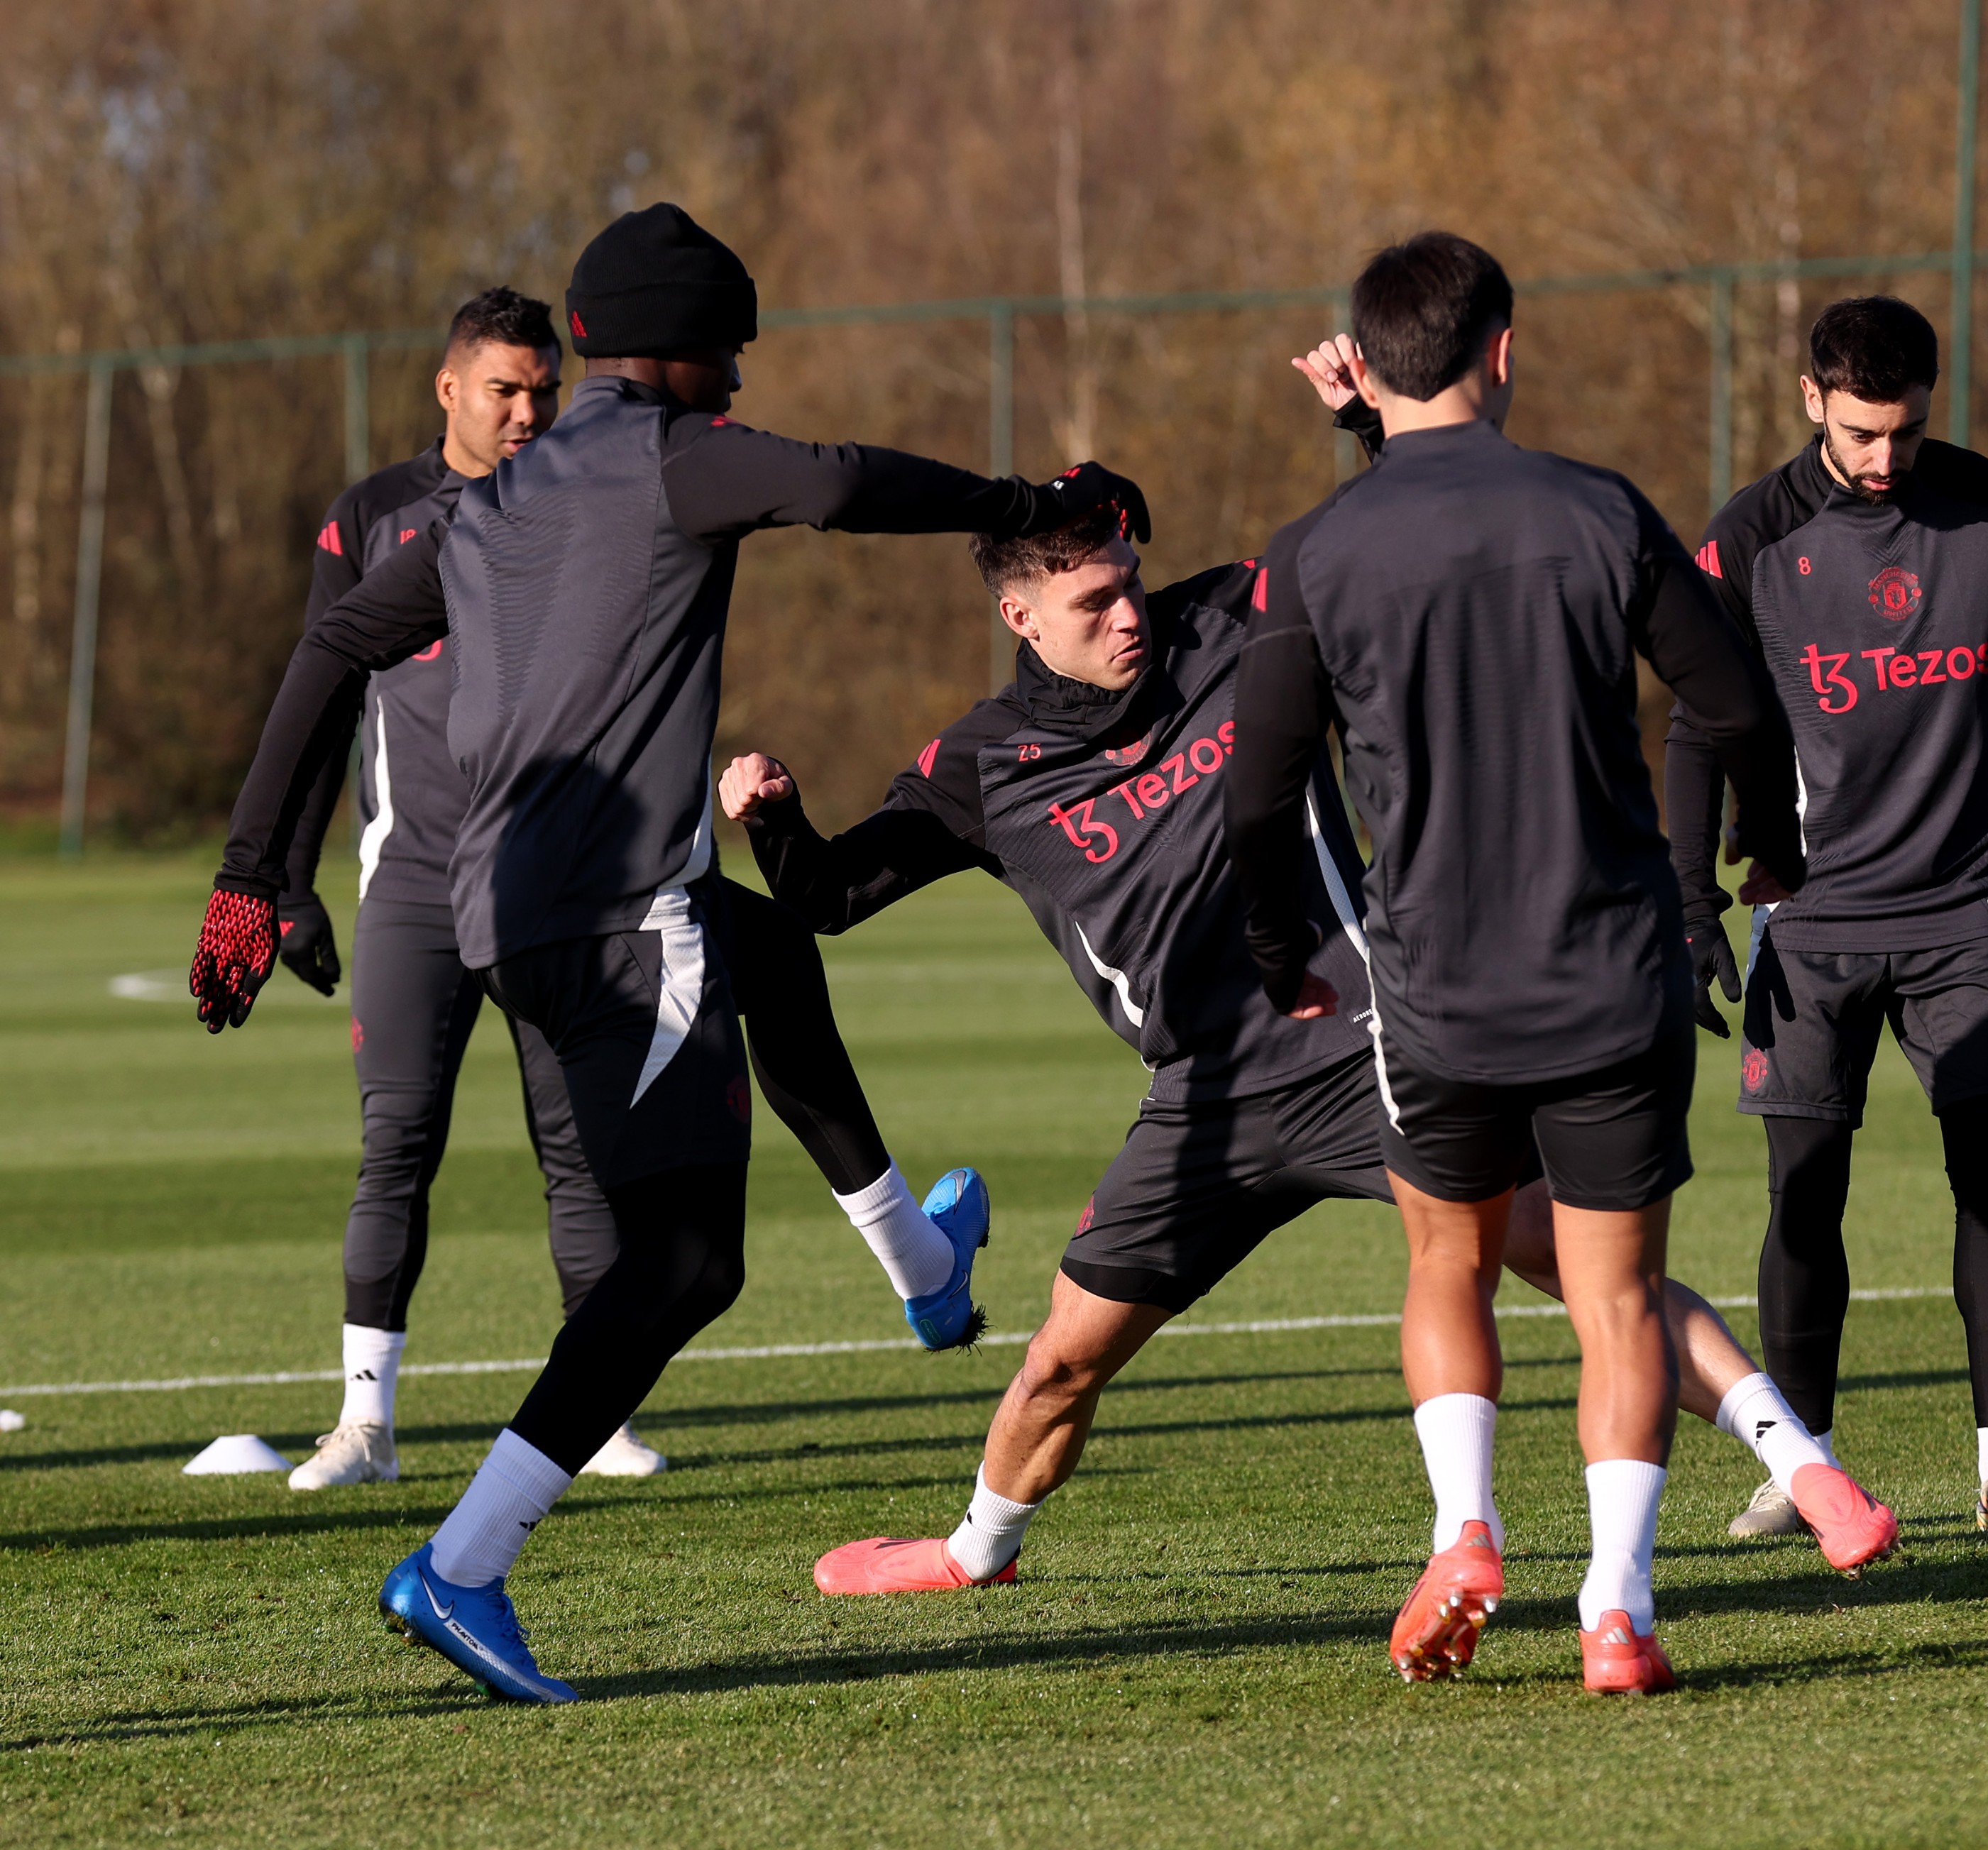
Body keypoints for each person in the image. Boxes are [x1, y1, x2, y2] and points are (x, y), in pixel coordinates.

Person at [727, 358, 1891, 1629]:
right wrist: (775, 822)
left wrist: (1361, 423)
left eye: (1128, 581)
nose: (1129, 616)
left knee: (1575, 1259)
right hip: (1206, 1105)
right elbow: (829, 898)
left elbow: (1398, 537)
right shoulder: (983, 766)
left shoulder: (1234, 622)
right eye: (1093, 601)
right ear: (1020, 619)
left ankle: (1808, 1469)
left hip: (1369, 1038)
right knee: (1062, 1360)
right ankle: (972, 1548)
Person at [187, 202, 1147, 1702]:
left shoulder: (489, 502)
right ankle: (461, 1562)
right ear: (681, 353)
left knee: (767, 951)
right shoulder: (664, 453)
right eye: (733, 354)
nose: (742, 383)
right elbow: (835, 486)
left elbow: (328, 648)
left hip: (515, 916)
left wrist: (251, 869)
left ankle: (920, 1257)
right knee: (687, 1262)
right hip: (617, 920)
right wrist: (1031, 494)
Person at [1228, 234, 1825, 1695]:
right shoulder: (1596, 509)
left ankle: (1464, 1529)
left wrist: (1270, 949)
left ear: (1362, 371)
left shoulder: (1316, 549)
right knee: (1618, 1298)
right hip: (1610, 971)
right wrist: (1764, 849)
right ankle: (1613, 1607)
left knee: (1446, 1259)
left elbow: (1254, 786)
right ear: (1504, 348)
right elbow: (1736, 703)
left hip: (1431, 984)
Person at [1667, 296, 1988, 1548]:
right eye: (1862, 430)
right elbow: (1695, 724)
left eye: (1909, 429)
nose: (1888, 457)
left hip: (1963, 914)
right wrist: (1688, 901)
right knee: (1802, 1196)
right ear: (1810, 401)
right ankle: (1805, 1465)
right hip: (1810, 918)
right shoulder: (1747, 539)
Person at [275, 287, 670, 1490]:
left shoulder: (589, 504)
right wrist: (283, 881)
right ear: (448, 388)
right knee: (397, 1142)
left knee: (584, 1151)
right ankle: (367, 1428)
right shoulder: (373, 517)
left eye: (543, 389)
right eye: (503, 388)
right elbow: (321, 694)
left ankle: (594, 1418)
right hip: (412, 886)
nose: (526, 411)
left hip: (556, 885)